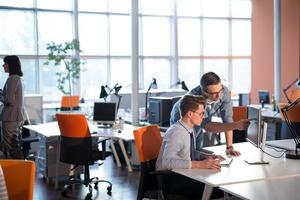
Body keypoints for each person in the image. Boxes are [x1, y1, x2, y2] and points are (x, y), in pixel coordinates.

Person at [156, 94, 225, 199]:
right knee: (216, 190)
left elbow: (188, 152)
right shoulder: (177, 132)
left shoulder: (188, 129)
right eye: (201, 113)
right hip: (171, 179)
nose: (203, 116)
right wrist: (200, 165)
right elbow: (167, 162)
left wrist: (204, 156)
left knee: (216, 185)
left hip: (183, 173)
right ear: (190, 114)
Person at [170, 71, 245, 156]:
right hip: (183, 118)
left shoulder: (223, 92)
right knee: (186, 153)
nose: (219, 95)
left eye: (220, 90)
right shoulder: (194, 100)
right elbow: (207, 126)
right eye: (214, 93)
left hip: (200, 123)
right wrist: (236, 125)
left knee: (198, 150)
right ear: (204, 92)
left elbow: (227, 120)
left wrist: (229, 147)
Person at [0, 55, 26, 159]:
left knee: (11, 147)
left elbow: (9, 101)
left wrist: (0, 96)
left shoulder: (12, 79)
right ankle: (22, 170)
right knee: (16, 145)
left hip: (10, 118)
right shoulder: (19, 78)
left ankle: (18, 171)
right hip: (16, 117)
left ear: (11, 65)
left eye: (5, 63)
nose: (3, 66)